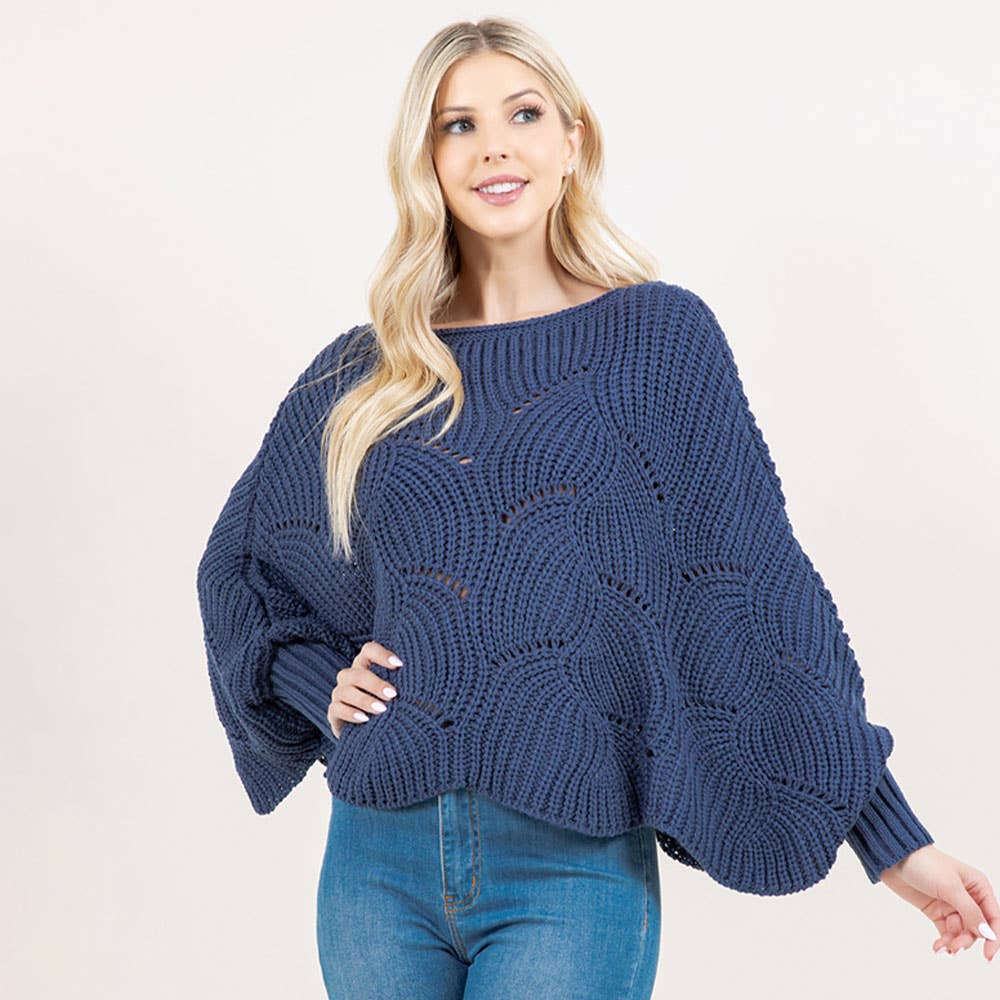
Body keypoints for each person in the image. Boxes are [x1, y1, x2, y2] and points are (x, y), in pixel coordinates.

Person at [195, 16, 998, 998]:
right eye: (458, 125)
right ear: (426, 160)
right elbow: (243, 565)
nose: (494, 146)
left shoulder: (657, 341)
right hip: (376, 862)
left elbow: (747, 603)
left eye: (524, 114)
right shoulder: (366, 372)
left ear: (573, 141)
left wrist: (890, 839)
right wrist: (313, 675)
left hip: (569, 866)